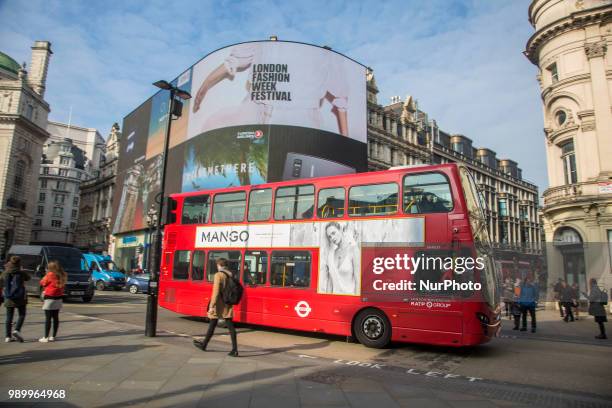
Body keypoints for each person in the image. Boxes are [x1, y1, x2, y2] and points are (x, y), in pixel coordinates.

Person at [193, 258, 238, 356]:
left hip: (218, 304)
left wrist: (211, 305)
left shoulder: (218, 275)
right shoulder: (231, 274)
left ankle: (204, 345)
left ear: (219, 265)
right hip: (227, 303)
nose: (217, 267)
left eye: (217, 265)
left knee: (212, 324)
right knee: (230, 326)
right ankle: (234, 349)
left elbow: (216, 292)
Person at [319, 222, 360, 295]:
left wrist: (356, 302)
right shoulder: (330, 254)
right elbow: (330, 282)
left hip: (350, 299)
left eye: (333, 233)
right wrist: (327, 300)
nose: (332, 238)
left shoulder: (353, 250)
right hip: (334, 300)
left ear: (340, 230)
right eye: (329, 236)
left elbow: (358, 281)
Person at [0, 256, 30, 342]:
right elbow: (28, 278)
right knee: (22, 314)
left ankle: (8, 337)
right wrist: (21, 270)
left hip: (9, 297)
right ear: (19, 263)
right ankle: (16, 330)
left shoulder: (5, 272)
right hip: (20, 297)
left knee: (9, 316)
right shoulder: (21, 272)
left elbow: (1, 282)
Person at [39, 261, 67, 342]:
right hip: (58, 298)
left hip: (49, 298)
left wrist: (45, 275)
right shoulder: (62, 274)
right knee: (55, 318)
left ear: (50, 268)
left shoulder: (50, 274)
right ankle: (53, 336)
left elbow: (42, 283)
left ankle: (45, 337)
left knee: (48, 318)